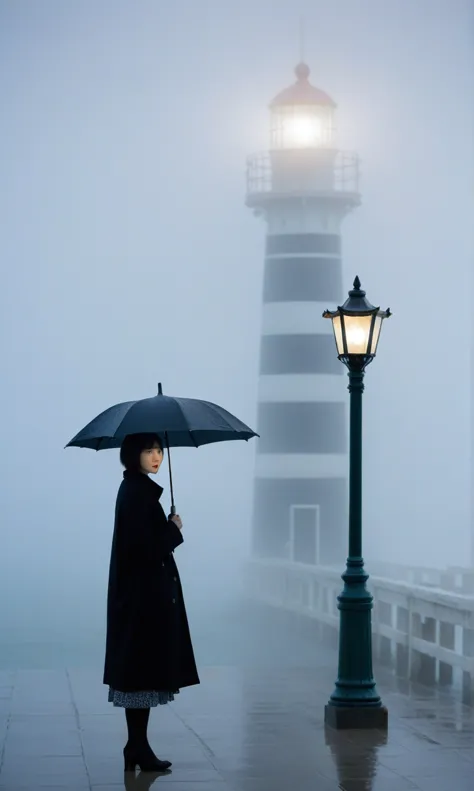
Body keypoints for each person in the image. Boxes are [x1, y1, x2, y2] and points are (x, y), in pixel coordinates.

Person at [103, 432, 200, 772]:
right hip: (141, 602)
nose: (157, 456)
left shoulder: (138, 490)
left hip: (140, 599)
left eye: (159, 450)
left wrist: (166, 529)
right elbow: (143, 549)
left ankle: (137, 747)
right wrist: (173, 530)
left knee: (141, 678)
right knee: (140, 677)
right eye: (149, 450)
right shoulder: (137, 494)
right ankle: (137, 748)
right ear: (133, 454)